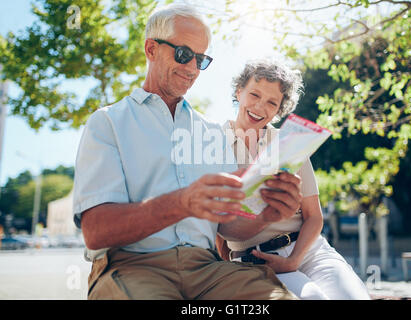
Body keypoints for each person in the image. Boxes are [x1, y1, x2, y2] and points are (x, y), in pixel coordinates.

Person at [72, 4, 302, 300]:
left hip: (208, 271)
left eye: (201, 59)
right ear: (151, 49)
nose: (192, 68)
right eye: (183, 54)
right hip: (131, 267)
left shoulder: (211, 133)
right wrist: (181, 203)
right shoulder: (107, 123)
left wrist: (267, 215)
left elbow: (229, 226)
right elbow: (96, 231)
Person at [216, 59, 371, 300]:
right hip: (256, 260)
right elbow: (217, 228)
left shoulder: (291, 143)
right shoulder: (214, 145)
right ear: (239, 91)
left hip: (310, 251)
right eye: (254, 94)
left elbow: (314, 216)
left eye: (272, 102)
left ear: (279, 109)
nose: (260, 106)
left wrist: (294, 260)